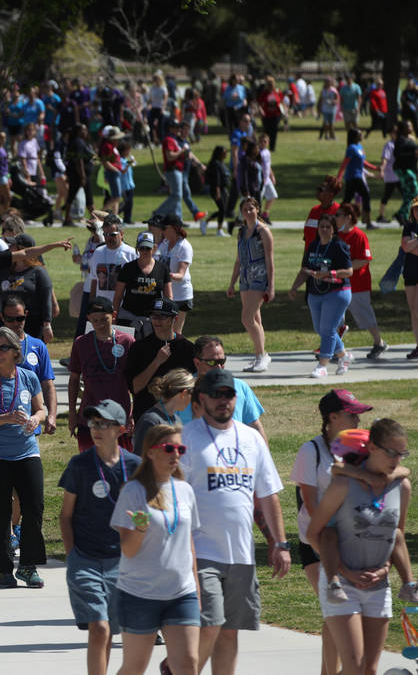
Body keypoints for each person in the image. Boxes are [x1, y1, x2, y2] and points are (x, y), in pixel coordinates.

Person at [180, 368, 291, 675]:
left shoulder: (252, 439)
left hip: (241, 553)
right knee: (209, 626)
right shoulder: (187, 439)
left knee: (230, 632)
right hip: (200, 552)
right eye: (216, 395)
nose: (223, 401)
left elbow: (267, 496)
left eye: (229, 395)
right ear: (202, 399)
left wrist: (280, 544)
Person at [307, 419, 412, 675]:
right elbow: (314, 534)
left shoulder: (402, 486)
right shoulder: (343, 484)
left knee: (369, 669)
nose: (396, 459)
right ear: (372, 447)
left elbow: (395, 535)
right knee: (354, 665)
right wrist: (344, 571)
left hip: (378, 584)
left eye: (402, 454)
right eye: (391, 452)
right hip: (342, 584)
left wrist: (386, 568)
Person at [58, 399, 142, 675]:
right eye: (94, 423)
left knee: (109, 631)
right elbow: (65, 515)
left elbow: (146, 510)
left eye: (104, 424)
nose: (97, 429)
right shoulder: (80, 465)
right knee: (99, 627)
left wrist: (140, 535)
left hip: (122, 561)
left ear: (120, 429)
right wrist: (72, 556)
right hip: (86, 559)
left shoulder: (136, 466)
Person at [111, 423, 201, 675]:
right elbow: (128, 551)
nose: (176, 454)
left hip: (181, 593)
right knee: (134, 668)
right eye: (169, 448)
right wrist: (140, 529)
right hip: (139, 594)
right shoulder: (133, 491)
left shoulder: (185, 491)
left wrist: (196, 591)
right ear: (150, 452)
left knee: (188, 664)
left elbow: (189, 544)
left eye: (180, 448)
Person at [0, 327, 48, 588]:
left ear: (16, 352)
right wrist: (4, 418)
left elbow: (42, 408)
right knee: (1, 513)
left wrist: (36, 419)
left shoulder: (28, 378)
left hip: (26, 451)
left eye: (3, 348)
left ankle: (28, 566)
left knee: (34, 508)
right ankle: (3, 570)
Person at [0, 294, 57, 436]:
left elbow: (48, 385)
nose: (15, 323)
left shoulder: (38, 346)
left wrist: (52, 415)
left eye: (20, 318)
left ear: (26, 315)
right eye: (10, 319)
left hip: (28, 428)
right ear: (2, 317)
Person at [289, 214, 354, 378]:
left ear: (333, 229)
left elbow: (349, 271)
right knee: (320, 329)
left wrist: (329, 273)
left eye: (327, 227)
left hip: (337, 292)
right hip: (315, 292)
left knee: (328, 329)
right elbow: (304, 269)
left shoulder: (339, 246)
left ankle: (322, 365)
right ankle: (343, 356)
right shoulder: (313, 245)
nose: (324, 230)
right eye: (321, 226)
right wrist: (295, 286)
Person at [67, 297, 134, 451]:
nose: (100, 324)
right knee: (90, 467)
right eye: (95, 320)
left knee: (122, 467)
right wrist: (72, 413)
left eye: (105, 319)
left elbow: (135, 381)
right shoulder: (81, 343)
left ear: (114, 315)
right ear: (88, 319)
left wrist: (133, 414)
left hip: (120, 417)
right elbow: (74, 378)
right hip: (89, 418)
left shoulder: (127, 341)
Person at [178, 336, 268, 443]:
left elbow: (255, 427)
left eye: (222, 361)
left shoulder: (240, 387)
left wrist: (266, 457)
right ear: (197, 363)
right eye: (212, 362)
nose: (219, 367)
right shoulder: (182, 392)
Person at [124, 299, 195, 423]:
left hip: (181, 418)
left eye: (162, 316)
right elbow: (135, 387)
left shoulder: (188, 349)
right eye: (153, 316)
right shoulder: (139, 348)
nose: (156, 320)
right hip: (147, 417)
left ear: (175, 319)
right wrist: (157, 362)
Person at [334, 203, 388, 359]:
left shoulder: (358, 235)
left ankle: (379, 342)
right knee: (336, 316)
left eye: (338, 215)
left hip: (358, 284)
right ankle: (335, 349)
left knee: (363, 314)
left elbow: (364, 260)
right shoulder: (336, 236)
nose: (335, 218)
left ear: (348, 218)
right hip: (338, 284)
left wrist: (343, 270)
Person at [227, 197, 275, 372]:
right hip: (245, 278)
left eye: (251, 208)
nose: (248, 212)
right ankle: (261, 356)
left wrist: (271, 287)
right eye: (245, 209)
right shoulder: (241, 232)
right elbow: (238, 260)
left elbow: (270, 261)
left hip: (259, 278)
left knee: (246, 318)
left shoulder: (263, 231)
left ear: (258, 210)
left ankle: (261, 356)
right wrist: (232, 283)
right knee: (255, 319)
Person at [114, 231, 172, 331]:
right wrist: (114, 317)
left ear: (154, 248)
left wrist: (168, 318)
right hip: (129, 317)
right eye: (142, 248)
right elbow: (118, 296)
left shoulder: (163, 268)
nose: (145, 251)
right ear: (137, 248)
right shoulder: (128, 268)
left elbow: (169, 297)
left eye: (148, 248)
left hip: (154, 319)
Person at [132, 369, 195, 451]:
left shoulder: (177, 420)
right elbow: (140, 458)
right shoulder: (150, 420)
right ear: (183, 394)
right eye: (192, 393)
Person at [335, 128, 380, 229]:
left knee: (347, 200)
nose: (362, 135)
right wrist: (339, 177)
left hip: (358, 176)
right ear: (355, 136)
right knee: (366, 196)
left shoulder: (359, 146)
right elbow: (344, 163)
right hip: (353, 177)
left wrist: (375, 168)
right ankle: (368, 222)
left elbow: (363, 162)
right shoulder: (351, 148)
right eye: (360, 134)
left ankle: (335, 217)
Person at [157, 216, 194, 333]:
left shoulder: (184, 247)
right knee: (164, 331)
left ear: (173, 228)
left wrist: (166, 275)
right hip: (166, 293)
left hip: (181, 295)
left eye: (164, 228)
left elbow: (181, 275)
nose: (162, 231)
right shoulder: (164, 243)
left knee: (175, 333)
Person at [402, 198, 418, 359]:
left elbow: (409, 246)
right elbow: (405, 246)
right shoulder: (409, 226)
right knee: (413, 311)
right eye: (415, 209)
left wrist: (412, 245)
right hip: (410, 270)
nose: (417, 212)